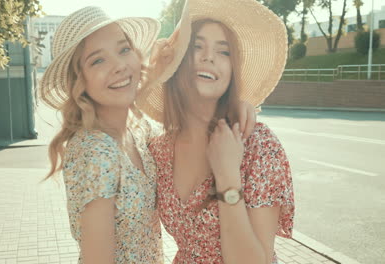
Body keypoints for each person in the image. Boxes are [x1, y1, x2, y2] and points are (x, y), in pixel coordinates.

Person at [39, 5, 257, 264]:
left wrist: (240, 104)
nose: (119, 65)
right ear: (80, 80)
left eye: (124, 50)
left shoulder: (139, 135)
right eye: (98, 60)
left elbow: (179, 118)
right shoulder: (94, 150)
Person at [138, 0, 295, 263]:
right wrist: (155, 72)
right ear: (177, 62)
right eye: (196, 46)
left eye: (224, 52)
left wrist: (227, 177)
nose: (208, 56)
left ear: (233, 71)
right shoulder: (159, 148)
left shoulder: (257, 144)